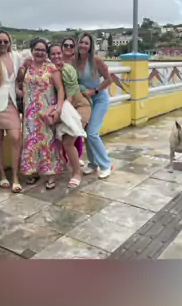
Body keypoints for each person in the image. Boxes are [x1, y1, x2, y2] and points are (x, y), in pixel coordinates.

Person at [17, 38, 65, 189]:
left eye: (43, 50)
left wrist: (58, 108)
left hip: (46, 111)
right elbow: (18, 81)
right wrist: (19, 90)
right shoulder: (27, 66)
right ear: (32, 50)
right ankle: (33, 172)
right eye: (37, 49)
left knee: (48, 142)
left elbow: (60, 89)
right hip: (30, 113)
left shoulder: (51, 68)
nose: (40, 52)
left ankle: (51, 175)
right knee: (30, 142)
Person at [0, 29, 24, 193]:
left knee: (16, 137)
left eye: (5, 41)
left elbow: (20, 77)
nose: (2, 44)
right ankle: (2, 174)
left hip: (12, 102)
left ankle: (15, 176)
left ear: (10, 42)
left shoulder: (16, 57)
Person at [47, 43, 90, 188]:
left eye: (59, 53)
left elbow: (70, 96)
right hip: (64, 108)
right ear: (49, 56)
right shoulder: (49, 70)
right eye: (53, 54)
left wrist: (58, 112)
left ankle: (77, 173)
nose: (56, 56)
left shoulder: (68, 69)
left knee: (68, 141)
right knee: (58, 139)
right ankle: (67, 164)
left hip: (79, 107)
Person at [75, 32, 113, 178]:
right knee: (87, 133)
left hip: (99, 99)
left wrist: (94, 90)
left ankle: (106, 165)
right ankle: (93, 164)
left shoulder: (96, 60)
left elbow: (109, 80)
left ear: (90, 46)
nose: (83, 45)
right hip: (86, 101)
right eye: (81, 42)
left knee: (92, 132)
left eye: (86, 43)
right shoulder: (74, 61)